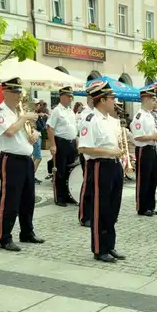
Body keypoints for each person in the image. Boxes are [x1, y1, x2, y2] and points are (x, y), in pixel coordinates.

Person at [0, 77, 45, 252]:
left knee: (28, 199)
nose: (18, 96)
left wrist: (34, 134)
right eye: (14, 92)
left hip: (26, 158)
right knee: (10, 200)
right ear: (4, 92)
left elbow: (26, 132)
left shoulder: (17, 112)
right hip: (10, 159)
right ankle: (4, 237)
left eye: (19, 92)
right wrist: (24, 117)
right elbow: (10, 131)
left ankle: (27, 232)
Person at [78, 81, 126, 263]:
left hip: (114, 165)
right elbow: (84, 148)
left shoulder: (111, 120)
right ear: (103, 99)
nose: (115, 101)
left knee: (113, 208)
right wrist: (110, 152)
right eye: (112, 98)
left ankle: (110, 244)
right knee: (101, 208)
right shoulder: (90, 120)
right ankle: (99, 248)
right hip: (99, 166)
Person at [131, 86, 157, 217]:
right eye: (152, 99)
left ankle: (150, 205)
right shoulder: (139, 116)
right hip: (144, 149)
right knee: (143, 179)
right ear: (146, 99)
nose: (154, 101)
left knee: (153, 178)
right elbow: (137, 136)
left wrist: (156, 137)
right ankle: (142, 207)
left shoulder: (150, 115)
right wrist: (153, 136)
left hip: (152, 147)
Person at [47, 86, 78, 207]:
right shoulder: (57, 111)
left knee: (70, 171)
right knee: (60, 171)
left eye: (71, 97)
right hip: (61, 143)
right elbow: (50, 128)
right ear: (62, 96)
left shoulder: (70, 111)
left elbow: (73, 128)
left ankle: (67, 195)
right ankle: (59, 197)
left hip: (71, 143)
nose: (71, 99)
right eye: (68, 96)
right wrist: (53, 144)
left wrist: (76, 141)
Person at [77, 96, 95, 227]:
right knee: (88, 184)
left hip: (100, 154)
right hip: (89, 154)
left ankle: (95, 212)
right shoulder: (85, 113)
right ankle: (84, 215)